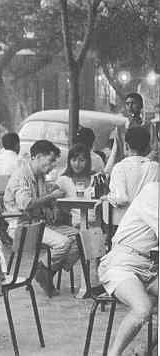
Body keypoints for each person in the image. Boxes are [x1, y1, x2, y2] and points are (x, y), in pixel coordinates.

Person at [4, 140, 79, 296]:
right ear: (37, 157)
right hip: (23, 226)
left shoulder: (40, 177)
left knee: (79, 239)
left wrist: (52, 205)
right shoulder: (21, 175)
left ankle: (45, 270)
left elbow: (42, 203)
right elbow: (26, 203)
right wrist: (51, 196)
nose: (52, 166)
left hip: (38, 224)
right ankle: (44, 271)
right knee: (63, 243)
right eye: (50, 161)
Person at [98, 182, 158, 356]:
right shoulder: (153, 191)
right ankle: (113, 354)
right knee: (143, 308)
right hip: (121, 262)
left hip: (148, 266)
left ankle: (144, 350)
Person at [107, 127, 158, 209]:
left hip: (124, 220)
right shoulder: (155, 168)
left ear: (126, 146)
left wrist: (108, 197)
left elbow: (121, 199)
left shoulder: (120, 168)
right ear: (148, 147)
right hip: (149, 220)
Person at [54, 144, 97, 225]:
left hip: (96, 226)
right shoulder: (63, 180)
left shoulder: (95, 178)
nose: (77, 164)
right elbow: (51, 196)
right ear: (69, 161)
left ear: (88, 161)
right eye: (74, 160)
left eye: (81, 160)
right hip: (75, 226)